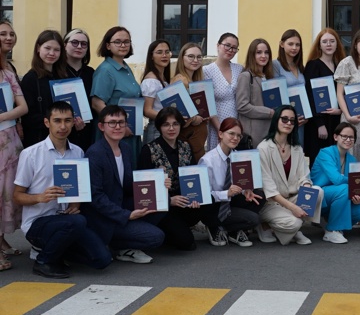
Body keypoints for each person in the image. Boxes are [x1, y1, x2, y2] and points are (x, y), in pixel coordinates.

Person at [13, 101, 112, 279]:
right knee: (78, 222)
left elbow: (79, 188)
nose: (63, 126)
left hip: (67, 221)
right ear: (47, 123)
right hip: (38, 223)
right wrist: (40, 197)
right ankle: (43, 260)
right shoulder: (31, 154)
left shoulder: (78, 152)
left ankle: (56, 251)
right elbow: (17, 196)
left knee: (102, 260)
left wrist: (75, 204)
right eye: (57, 121)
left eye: (67, 121)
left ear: (74, 123)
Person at [82, 105, 165, 264]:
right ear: (101, 126)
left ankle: (128, 236)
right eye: (112, 123)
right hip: (103, 216)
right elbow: (96, 197)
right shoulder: (95, 154)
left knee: (161, 201)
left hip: (120, 203)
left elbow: (127, 184)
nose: (118, 127)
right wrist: (126, 215)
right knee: (156, 237)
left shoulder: (125, 148)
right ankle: (116, 244)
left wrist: (157, 183)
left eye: (121, 122)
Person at [137, 108, 201, 251]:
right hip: (162, 207)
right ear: (159, 126)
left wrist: (194, 196)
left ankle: (180, 227)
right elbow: (143, 191)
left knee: (205, 203)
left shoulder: (186, 146)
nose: (171, 128)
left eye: (175, 124)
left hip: (183, 201)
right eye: (166, 125)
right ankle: (163, 231)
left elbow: (193, 174)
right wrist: (169, 201)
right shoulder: (149, 150)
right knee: (186, 243)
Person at [258, 105, 322, 246]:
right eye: (284, 119)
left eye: (292, 121)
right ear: (276, 120)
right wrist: (294, 208)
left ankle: (290, 226)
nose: (288, 123)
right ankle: (266, 225)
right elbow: (269, 189)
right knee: (294, 223)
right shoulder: (263, 148)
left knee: (317, 192)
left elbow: (304, 176)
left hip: (291, 197)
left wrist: (306, 188)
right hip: (271, 203)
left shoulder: (297, 148)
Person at [199, 117, 263, 247]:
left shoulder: (239, 157)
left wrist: (246, 190)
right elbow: (205, 195)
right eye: (231, 133)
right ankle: (213, 226)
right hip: (213, 206)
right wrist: (226, 193)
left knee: (260, 197)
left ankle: (233, 230)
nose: (235, 138)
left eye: (238, 135)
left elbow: (240, 182)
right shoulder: (207, 160)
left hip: (230, 201)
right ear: (221, 134)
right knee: (253, 219)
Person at [310, 122, 360, 243]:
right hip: (320, 196)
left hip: (338, 196)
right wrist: (356, 182)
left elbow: (353, 185)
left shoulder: (352, 159)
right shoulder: (325, 153)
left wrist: (357, 195)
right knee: (345, 188)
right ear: (336, 137)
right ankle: (332, 231)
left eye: (351, 137)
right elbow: (337, 179)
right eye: (344, 136)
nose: (348, 140)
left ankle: (330, 224)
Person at [90, 26, 142, 148]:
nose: (123, 45)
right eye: (117, 42)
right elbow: (97, 103)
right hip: (114, 136)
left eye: (126, 42)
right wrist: (118, 127)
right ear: (108, 46)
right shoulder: (105, 70)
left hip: (131, 131)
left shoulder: (126, 67)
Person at [0, 19, 24, 266]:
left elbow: (23, 107)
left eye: (11, 33)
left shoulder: (8, 71)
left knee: (6, 192)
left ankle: (2, 239)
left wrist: (3, 116)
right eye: (2, 34)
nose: (8, 37)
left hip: (8, 141)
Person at [303, 28, 346, 166]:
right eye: (325, 41)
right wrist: (319, 124)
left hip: (336, 120)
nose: (329, 44)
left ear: (337, 44)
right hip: (319, 123)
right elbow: (310, 96)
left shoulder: (340, 65)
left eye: (332, 41)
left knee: (334, 159)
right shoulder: (313, 65)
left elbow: (344, 93)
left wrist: (340, 110)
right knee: (318, 160)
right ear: (319, 45)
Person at [21, 30, 68, 148]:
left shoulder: (64, 77)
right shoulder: (30, 79)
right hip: (38, 140)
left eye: (56, 50)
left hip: (63, 138)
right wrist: (53, 121)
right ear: (38, 48)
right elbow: (28, 117)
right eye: (47, 48)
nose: (51, 53)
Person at [335, 28, 360, 158]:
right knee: (348, 149)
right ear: (355, 45)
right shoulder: (347, 63)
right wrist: (347, 115)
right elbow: (340, 93)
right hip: (350, 116)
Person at [202, 33, 243, 151]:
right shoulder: (207, 71)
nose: (230, 50)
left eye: (234, 48)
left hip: (236, 123)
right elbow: (208, 104)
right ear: (218, 45)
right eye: (227, 45)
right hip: (218, 124)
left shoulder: (239, 69)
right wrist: (220, 129)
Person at [171, 42, 211, 160]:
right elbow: (176, 114)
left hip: (197, 140)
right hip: (187, 139)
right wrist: (194, 118)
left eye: (199, 57)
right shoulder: (180, 81)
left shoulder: (196, 80)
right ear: (182, 58)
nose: (195, 60)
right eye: (191, 56)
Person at [235, 38, 276, 147]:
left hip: (270, 132)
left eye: (266, 52)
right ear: (252, 55)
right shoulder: (246, 76)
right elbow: (242, 106)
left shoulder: (269, 77)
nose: (263, 56)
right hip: (254, 134)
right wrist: (269, 112)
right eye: (259, 52)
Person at [62, 28, 94, 151]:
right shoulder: (57, 72)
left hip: (87, 130)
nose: (79, 46)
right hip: (63, 130)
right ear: (65, 45)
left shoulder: (91, 73)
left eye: (84, 44)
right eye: (74, 42)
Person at [139, 39, 171, 144]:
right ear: (151, 56)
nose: (164, 55)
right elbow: (147, 110)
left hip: (166, 126)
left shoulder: (163, 78)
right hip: (157, 128)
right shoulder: (151, 80)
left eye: (167, 52)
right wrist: (170, 118)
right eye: (159, 52)